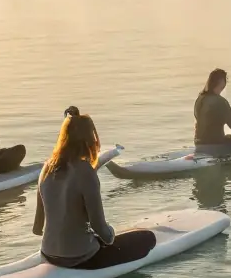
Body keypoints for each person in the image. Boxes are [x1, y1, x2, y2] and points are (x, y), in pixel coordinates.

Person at [33, 107, 157, 269]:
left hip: (47, 253)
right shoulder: (85, 172)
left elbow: (37, 227)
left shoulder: (47, 167)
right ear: (90, 139)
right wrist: (110, 234)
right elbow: (99, 227)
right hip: (80, 258)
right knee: (148, 238)